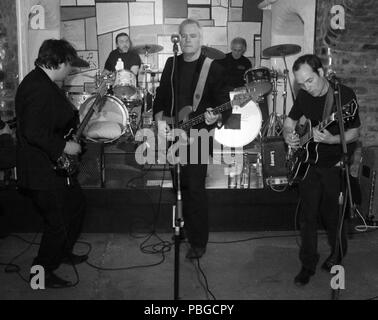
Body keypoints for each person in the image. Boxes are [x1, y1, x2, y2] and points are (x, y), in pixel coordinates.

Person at [153, 19, 231, 259]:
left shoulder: (213, 68)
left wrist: (214, 116)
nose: (187, 40)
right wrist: (159, 122)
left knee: (195, 188)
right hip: (174, 133)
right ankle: (183, 229)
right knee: (179, 186)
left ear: (201, 39)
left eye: (192, 36)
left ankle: (199, 241)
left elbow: (224, 106)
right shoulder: (171, 63)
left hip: (198, 134)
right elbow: (161, 96)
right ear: (178, 39)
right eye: (183, 36)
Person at [15, 39, 88, 288]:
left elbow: (51, 122)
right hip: (41, 171)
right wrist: (64, 146)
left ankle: (62, 252)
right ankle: (41, 276)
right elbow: (33, 130)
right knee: (57, 222)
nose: (70, 69)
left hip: (53, 168)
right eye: (69, 64)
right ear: (59, 61)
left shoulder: (44, 82)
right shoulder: (37, 87)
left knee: (76, 206)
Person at [283, 54, 361, 286]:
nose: (306, 87)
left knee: (332, 218)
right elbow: (289, 122)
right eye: (301, 83)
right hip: (309, 165)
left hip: (334, 166)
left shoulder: (343, 97)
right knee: (306, 218)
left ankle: (337, 256)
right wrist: (290, 136)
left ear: (321, 73)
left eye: (310, 81)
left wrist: (332, 139)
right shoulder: (305, 96)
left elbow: (355, 133)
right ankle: (307, 264)